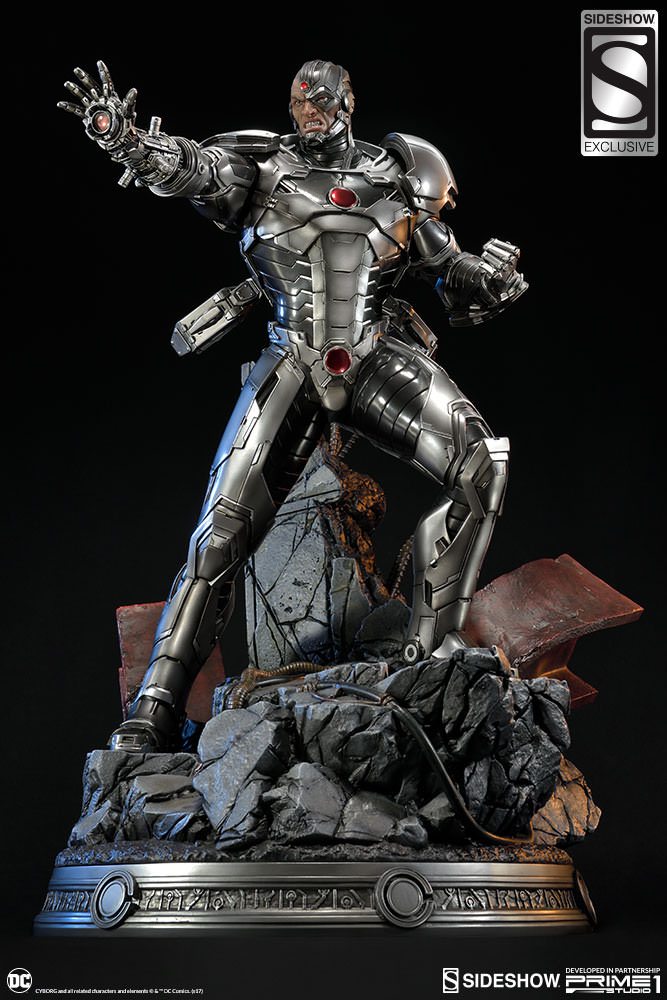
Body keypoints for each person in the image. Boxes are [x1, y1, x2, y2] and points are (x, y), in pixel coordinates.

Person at [59, 58, 527, 752]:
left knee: (481, 462)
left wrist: (487, 276)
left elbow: (446, 267)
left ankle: (432, 652)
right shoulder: (262, 169)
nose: (308, 111)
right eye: (298, 101)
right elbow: (192, 168)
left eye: (320, 99)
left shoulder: (400, 176)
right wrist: (128, 142)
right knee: (221, 531)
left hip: (371, 355)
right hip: (293, 359)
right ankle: (155, 705)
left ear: (348, 102)